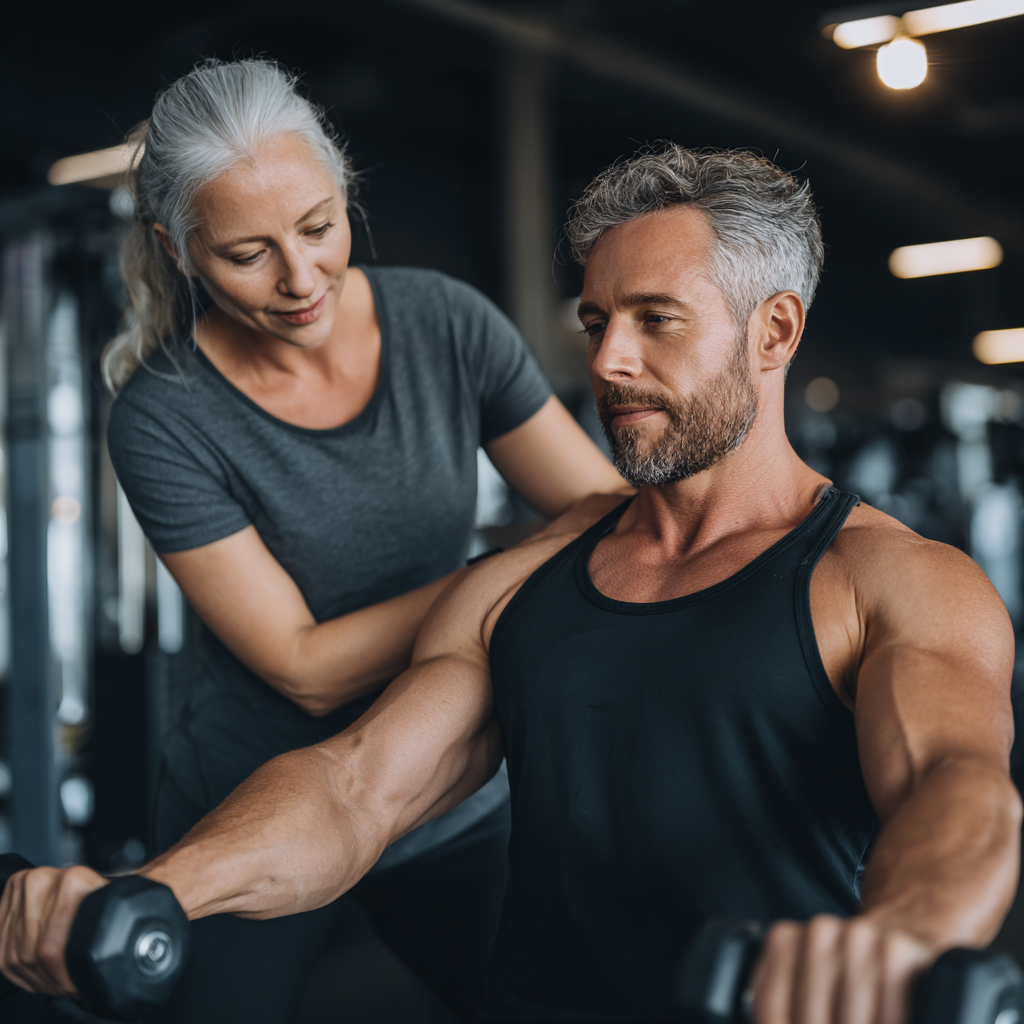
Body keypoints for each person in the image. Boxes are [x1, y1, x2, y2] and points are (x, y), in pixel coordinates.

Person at [2, 146, 1019, 1024]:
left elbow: (955, 786)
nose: (608, 361)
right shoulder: (519, 586)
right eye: (596, 321)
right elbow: (355, 788)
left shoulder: (890, 580)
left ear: (775, 331)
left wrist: (906, 932)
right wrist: (155, 885)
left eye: (656, 320)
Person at [92, 58, 625, 1023]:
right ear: (179, 249)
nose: (301, 280)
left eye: (318, 227)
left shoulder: (447, 323)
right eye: (247, 254)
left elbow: (605, 510)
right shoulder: (161, 420)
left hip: (446, 781)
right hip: (253, 803)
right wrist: (511, 570)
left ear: (345, 194)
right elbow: (305, 667)